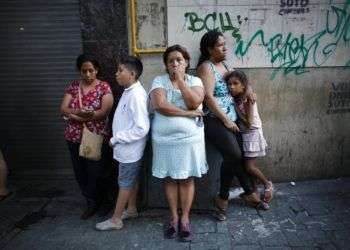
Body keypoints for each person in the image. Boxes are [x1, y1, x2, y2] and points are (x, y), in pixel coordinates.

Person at [196, 30, 261, 221]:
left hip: (233, 119)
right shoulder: (206, 68)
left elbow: (241, 81)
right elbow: (207, 97)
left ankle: (247, 192)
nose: (225, 48)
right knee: (234, 155)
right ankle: (223, 198)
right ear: (209, 49)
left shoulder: (225, 64)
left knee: (236, 157)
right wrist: (225, 120)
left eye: (225, 44)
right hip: (215, 120)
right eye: (220, 45)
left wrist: (249, 91)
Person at [149, 45, 207, 242]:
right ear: (166, 64)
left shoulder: (196, 81)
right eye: (170, 60)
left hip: (189, 140)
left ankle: (185, 219)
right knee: (171, 178)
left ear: (187, 62)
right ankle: (173, 217)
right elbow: (160, 105)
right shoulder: (159, 80)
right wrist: (187, 114)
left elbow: (194, 102)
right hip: (164, 140)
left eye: (179, 60)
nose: (174, 63)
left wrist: (181, 81)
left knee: (187, 178)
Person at [95, 56, 150, 231]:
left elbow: (142, 128)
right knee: (131, 180)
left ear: (132, 74)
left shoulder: (136, 95)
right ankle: (131, 209)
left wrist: (117, 138)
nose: (116, 74)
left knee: (125, 183)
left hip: (129, 149)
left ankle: (116, 219)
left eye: (120, 70)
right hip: (126, 149)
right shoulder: (129, 91)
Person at [60, 54, 114, 219]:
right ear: (79, 71)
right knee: (80, 171)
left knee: (98, 171)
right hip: (74, 138)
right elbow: (63, 109)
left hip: (95, 137)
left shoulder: (104, 87)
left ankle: (105, 202)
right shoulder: (73, 87)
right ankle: (91, 202)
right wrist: (79, 113)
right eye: (84, 71)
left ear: (97, 70)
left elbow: (103, 112)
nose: (88, 74)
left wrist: (75, 116)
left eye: (91, 70)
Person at [225, 70, 273, 207]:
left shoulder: (247, 99)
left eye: (235, 84)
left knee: (249, 166)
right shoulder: (237, 97)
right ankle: (254, 192)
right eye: (229, 84)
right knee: (247, 167)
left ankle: (267, 184)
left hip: (252, 133)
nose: (231, 87)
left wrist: (235, 110)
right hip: (246, 134)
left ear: (243, 86)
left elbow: (249, 122)